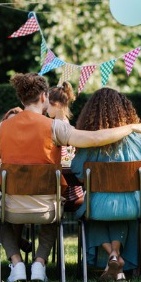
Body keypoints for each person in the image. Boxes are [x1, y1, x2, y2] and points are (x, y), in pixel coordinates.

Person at [0, 73, 141, 282]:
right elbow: (95, 138)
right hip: (46, 208)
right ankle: (39, 264)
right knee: (54, 208)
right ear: (44, 97)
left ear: (21, 99)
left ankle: (17, 263)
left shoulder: (3, 127)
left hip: (11, 207)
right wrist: (131, 127)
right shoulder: (55, 127)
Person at [71, 88, 141, 282]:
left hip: (97, 205)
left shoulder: (90, 138)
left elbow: (77, 170)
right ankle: (115, 255)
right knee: (120, 212)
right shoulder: (134, 136)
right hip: (131, 206)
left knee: (91, 212)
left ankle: (112, 255)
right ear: (125, 110)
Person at [48, 82, 83, 212]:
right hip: (72, 185)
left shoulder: (57, 126)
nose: (46, 108)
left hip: (65, 190)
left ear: (56, 105)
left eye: (48, 104)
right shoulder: (66, 124)